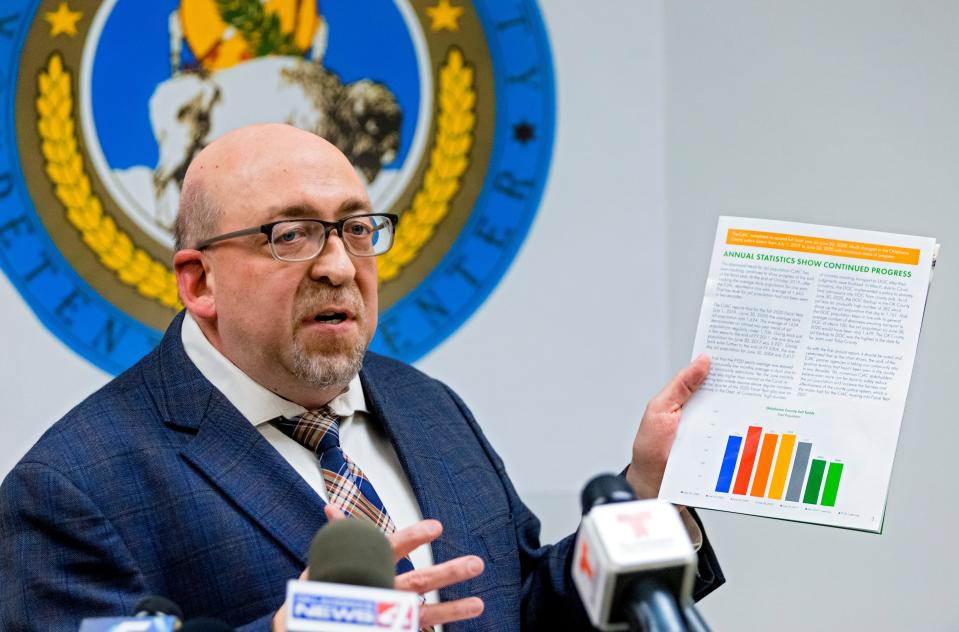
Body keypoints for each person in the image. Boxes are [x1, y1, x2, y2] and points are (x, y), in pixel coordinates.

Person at [0, 124, 723, 631]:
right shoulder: (73, 488)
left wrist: (646, 501)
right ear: (199, 282)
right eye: (291, 234)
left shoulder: (425, 406)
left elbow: (519, 606)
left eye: (355, 228)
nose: (340, 266)